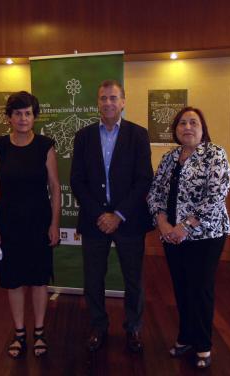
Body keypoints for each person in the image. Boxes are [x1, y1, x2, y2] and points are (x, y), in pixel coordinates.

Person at [70, 80, 153, 353]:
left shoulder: (139, 135)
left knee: (133, 279)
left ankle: (134, 329)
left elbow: (144, 180)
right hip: (94, 221)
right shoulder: (83, 136)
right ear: (97, 102)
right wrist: (100, 214)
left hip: (129, 220)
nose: (108, 102)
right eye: (103, 98)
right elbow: (77, 181)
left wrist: (117, 214)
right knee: (93, 278)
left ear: (123, 101)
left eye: (113, 98)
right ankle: (98, 326)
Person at [147, 106, 230, 369]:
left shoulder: (215, 154)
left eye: (193, 123)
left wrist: (185, 226)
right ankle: (185, 337)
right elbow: (154, 193)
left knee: (200, 289)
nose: (187, 127)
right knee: (181, 287)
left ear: (202, 128)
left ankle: (203, 345)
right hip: (171, 235)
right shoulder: (169, 157)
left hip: (205, 235)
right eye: (182, 123)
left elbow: (216, 197)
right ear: (175, 130)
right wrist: (162, 223)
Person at [0, 91, 61, 358]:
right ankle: (19, 333)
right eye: (17, 113)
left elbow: (55, 187)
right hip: (8, 224)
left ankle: (39, 332)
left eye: (28, 113)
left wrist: (54, 223)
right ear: (9, 118)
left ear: (34, 116)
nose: (23, 118)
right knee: (14, 281)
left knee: (39, 280)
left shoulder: (45, 146)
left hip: (39, 222)